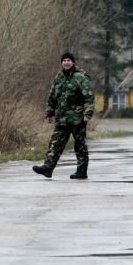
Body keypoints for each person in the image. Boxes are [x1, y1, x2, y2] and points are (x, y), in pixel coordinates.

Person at [32, 51, 95, 180]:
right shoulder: (59, 78)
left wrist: (88, 114)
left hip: (77, 119)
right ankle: (48, 167)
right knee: (55, 143)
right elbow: (52, 96)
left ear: (73, 62)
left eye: (68, 60)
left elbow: (88, 97)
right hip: (62, 119)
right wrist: (49, 112)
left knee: (80, 145)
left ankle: (82, 171)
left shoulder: (81, 77)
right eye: (64, 60)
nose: (66, 63)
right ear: (61, 63)